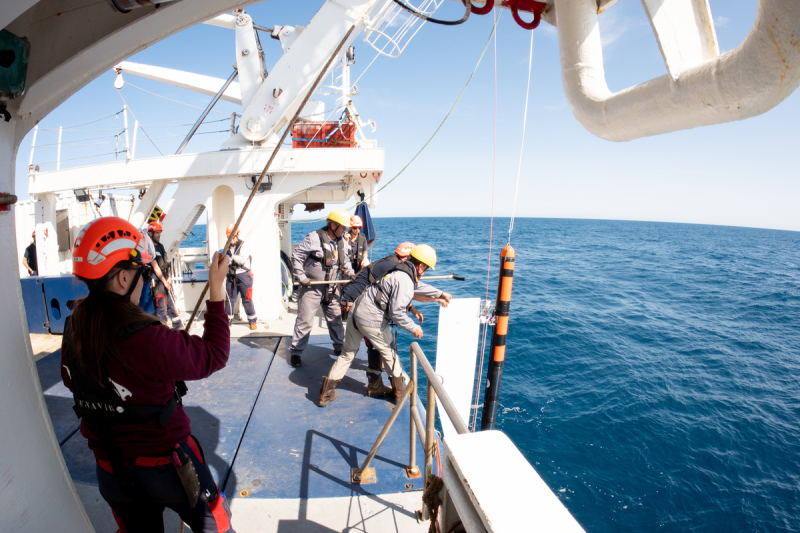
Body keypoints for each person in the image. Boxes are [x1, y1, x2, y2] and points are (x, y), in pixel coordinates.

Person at [60, 216, 235, 533]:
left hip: (111, 471)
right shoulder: (146, 338)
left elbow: (72, 380)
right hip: (168, 470)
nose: (144, 280)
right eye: (142, 273)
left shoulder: (73, 329)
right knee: (217, 527)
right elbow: (214, 355)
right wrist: (216, 289)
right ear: (124, 278)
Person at [319, 244, 443, 407]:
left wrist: (439, 294)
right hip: (372, 320)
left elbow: (415, 286)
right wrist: (414, 328)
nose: (425, 272)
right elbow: (396, 313)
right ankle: (399, 394)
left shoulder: (397, 270)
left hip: (356, 312)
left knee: (347, 354)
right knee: (390, 354)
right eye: (426, 269)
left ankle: (325, 395)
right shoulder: (404, 277)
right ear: (420, 266)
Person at [290, 209, 355, 367]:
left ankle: (339, 347)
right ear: (333, 225)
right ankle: (296, 352)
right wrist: (302, 277)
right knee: (305, 320)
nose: (345, 230)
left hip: (332, 288)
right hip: (312, 288)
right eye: (342, 227)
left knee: (336, 319)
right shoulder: (313, 238)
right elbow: (296, 256)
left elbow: (344, 261)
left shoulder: (341, 242)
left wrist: (352, 275)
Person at [147, 222, 184, 330]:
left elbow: (167, 263)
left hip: (165, 281)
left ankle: (178, 327)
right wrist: (164, 282)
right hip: (158, 283)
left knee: (171, 305)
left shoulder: (161, 246)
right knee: (161, 308)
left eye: (160, 233)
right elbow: (155, 267)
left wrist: (169, 277)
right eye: (157, 233)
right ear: (150, 233)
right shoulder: (150, 249)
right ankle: (163, 331)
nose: (159, 235)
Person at [223, 224, 258, 330]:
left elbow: (242, 260)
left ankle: (252, 320)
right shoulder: (227, 247)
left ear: (237, 235)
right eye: (229, 237)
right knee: (229, 299)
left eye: (232, 236)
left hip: (244, 275)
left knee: (247, 299)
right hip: (231, 275)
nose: (231, 239)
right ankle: (227, 321)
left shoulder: (244, 245)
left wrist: (231, 256)